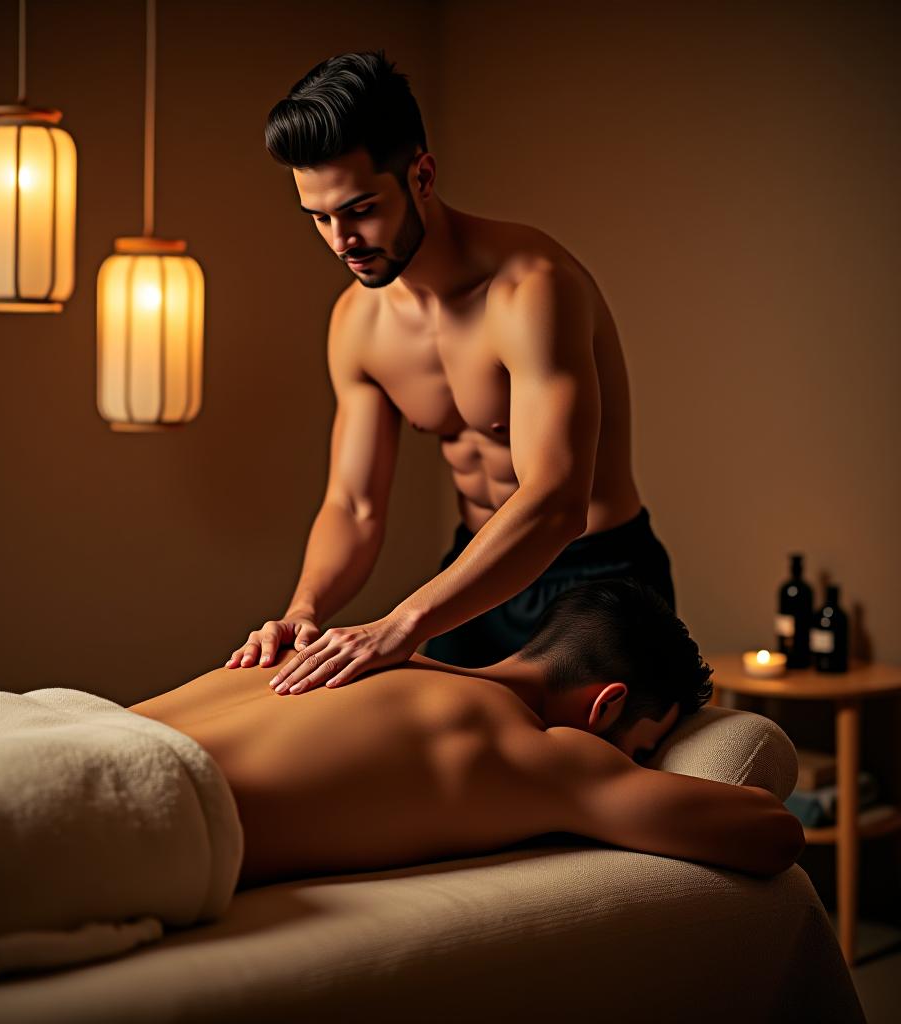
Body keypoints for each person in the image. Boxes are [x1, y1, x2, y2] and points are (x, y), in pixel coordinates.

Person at [224, 50, 677, 695]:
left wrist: (401, 623)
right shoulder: (357, 323)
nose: (340, 240)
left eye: (359, 209)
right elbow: (353, 507)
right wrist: (304, 613)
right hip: (479, 570)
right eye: (319, 218)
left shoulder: (531, 290)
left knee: (539, 768)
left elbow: (556, 503)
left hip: (596, 580)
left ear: (423, 176)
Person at [131, 579, 804, 887]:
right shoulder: (534, 750)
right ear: (605, 707)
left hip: (60, 729)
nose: (629, 768)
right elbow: (776, 834)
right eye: (639, 751)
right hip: (133, 816)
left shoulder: (327, 648)